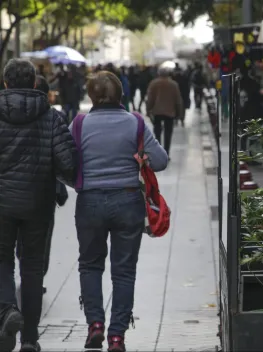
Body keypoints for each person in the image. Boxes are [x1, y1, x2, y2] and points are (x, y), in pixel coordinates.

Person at [71, 71, 168, 352]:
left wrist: (79, 180)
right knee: (124, 272)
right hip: (128, 202)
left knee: (90, 265)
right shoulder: (135, 123)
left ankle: (95, 325)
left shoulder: (79, 124)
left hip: (89, 202)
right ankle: (117, 337)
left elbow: (65, 163)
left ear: (91, 96)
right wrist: (142, 159)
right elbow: (160, 160)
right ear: (121, 95)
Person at [0, 59, 77, 352]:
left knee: (2, 260)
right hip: (37, 203)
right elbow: (68, 164)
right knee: (32, 268)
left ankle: (7, 310)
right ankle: (30, 339)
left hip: (2, 203)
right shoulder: (51, 117)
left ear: (6, 83)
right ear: (34, 83)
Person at [15, 75, 70, 295]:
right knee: (40, 242)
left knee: (15, 242)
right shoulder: (55, 118)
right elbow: (65, 160)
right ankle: (34, 282)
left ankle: (17, 291)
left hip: (10, 193)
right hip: (42, 193)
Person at [146, 66, 184, 158]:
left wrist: (148, 110)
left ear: (158, 73)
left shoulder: (154, 83)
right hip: (170, 112)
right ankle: (166, 153)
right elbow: (178, 100)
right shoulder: (173, 84)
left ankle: (159, 153)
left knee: (157, 133)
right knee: (168, 133)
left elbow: (150, 99)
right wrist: (180, 113)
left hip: (157, 112)